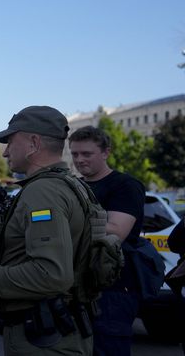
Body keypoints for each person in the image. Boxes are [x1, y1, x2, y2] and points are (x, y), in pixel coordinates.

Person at [0, 105, 92, 355]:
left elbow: (51, 274)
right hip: (53, 331)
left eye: (10, 142)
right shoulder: (66, 185)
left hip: (44, 338)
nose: (4, 153)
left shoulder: (43, 192)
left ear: (34, 143)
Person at [68, 126, 145, 356]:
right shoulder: (75, 186)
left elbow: (115, 232)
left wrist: (63, 227)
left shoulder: (125, 186)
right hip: (77, 286)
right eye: (74, 154)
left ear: (106, 152)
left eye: (86, 154)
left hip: (113, 289)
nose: (79, 160)